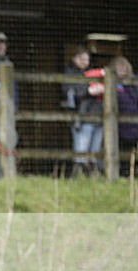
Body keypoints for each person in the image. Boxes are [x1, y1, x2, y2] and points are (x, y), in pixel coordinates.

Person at [61, 45, 104, 176]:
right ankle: (78, 176)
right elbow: (68, 92)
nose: (84, 61)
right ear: (74, 58)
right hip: (81, 117)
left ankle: (93, 176)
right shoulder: (69, 73)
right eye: (81, 58)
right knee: (81, 150)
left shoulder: (94, 73)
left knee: (95, 150)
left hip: (97, 114)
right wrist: (88, 91)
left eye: (86, 59)